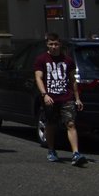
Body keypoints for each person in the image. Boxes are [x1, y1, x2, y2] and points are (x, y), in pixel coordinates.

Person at [34, 32, 87, 165]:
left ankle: (76, 153)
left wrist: (77, 98)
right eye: (51, 44)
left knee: (70, 123)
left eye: (56, 44)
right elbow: (38, 78)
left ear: (60, 44)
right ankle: (51, 150)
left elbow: (73, 80)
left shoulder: (68, 61)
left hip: (66, 97)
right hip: (50, 98)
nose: (54, 47)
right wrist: (45, 94)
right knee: (51, 124)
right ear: (47, 45)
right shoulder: (41, 59)